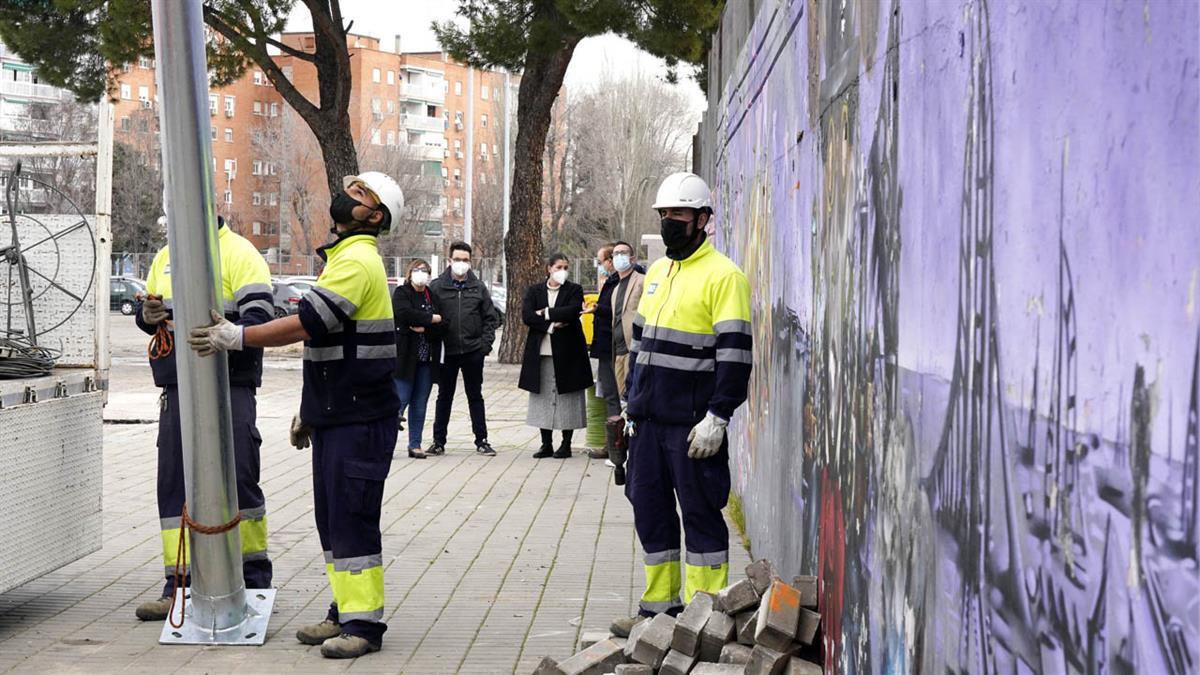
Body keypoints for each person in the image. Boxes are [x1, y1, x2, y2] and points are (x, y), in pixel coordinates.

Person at [188, 172, 404, 659]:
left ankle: (364, 626)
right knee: (333, 520)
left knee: (351, 521)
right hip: (341, 416)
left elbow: (307, 325)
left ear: (374, 216)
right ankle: (344, 611)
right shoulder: (345, 258)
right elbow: (332, 350)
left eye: (359, 194)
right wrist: (311, 413)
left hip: (359, 419)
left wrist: (238, 336)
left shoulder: (357, 260)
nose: (347, 196)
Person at [611, 172, 752, 637]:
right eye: (665, 213)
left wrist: (718, 417)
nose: (670, 221)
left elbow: (735, 356)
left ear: (703, 219)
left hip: (693, 427)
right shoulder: (658, 274)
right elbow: (640, 348)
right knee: (650, 514)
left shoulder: (725, 276)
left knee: (700, 517)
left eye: (679, 213)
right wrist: (629, 405)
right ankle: (658, 612)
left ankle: (703, 620)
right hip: (648, 424)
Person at [132, 215, 274, 622]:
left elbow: (261, 320)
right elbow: (149, 314)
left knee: (238, 482)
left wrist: (229, 333)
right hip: (178, 389)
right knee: (174, 485)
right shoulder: (166, 256)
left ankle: (253, 583)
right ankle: (179, 586)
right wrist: (148, 316)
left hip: (230, 387)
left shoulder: (240, 253)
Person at [519, 253, 595, 458]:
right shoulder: (535, 290)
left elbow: (572, 312)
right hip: (541, 352)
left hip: (568, 353)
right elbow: (527, 315)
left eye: (566, 267)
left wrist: (545, 313)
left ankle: (566, 443)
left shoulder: (574, 289)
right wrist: (551, 326)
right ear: (549, 268)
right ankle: (546, 444)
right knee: (543, 398)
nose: (562, 271)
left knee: (567, 398)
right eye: (559, 267)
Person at [427, 241, 499, 457]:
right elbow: (429, 317)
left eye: (465, 260)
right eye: (457, 259)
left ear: (470, 262)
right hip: (447, 352)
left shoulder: (478, 287)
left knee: (475, 395)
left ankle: (482, 440)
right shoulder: (437, 287)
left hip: (472, 351)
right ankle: (438, 441)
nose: (461, 263)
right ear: (450, 260)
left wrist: (484, 346)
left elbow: (490, 318)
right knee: (444, 396)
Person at [392, 259, 443, 459]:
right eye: (417, 270)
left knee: (420, 404)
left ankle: (415, 444)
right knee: (400, 402)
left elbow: (443, 322)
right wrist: (431, 318)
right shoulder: (402, 293)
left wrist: (426, 326)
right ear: (410, 272)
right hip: (406, 359)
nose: (421, 273)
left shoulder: (432, 296)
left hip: (426, 360)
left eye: (425, 271)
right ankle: (385, 443)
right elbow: (405, 314)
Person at [606, 240, 646, 484]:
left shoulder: (641, 281)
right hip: (619, 351)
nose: (619, 257)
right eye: (615, 254)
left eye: (624, 253)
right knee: (622, 401)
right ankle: (623, 450)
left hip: (635, 350)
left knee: (634, 400)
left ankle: (636, 450)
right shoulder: (614, 287)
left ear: (632, 258)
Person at [587, 244, 618, 462]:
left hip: (614, 347)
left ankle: (616, 446)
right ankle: (611, 443)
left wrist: (599, 309)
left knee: (614, 396)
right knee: (608, 395)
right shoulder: (610, 281)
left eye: (601, 262)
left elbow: (618, 311)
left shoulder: (622, 282)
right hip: (605, 347)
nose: (601, 266)